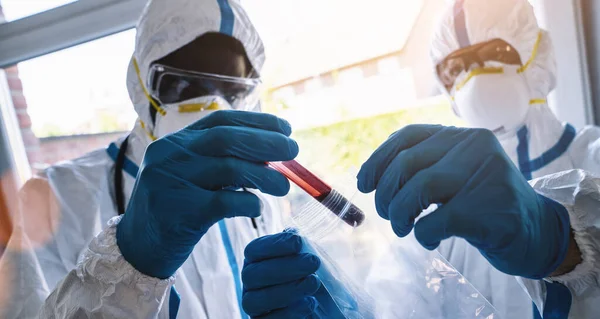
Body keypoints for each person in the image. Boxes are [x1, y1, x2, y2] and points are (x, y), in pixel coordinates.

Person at [239, 0, 600, 318]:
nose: (474, 76)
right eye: (455, 68)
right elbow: (398, 303)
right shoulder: (436, 200)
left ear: (536, 56)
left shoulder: (594, 156)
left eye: (495, 54)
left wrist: (559, 239)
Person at [0, 0, 299, 318]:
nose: (214, 106)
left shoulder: (254, 189)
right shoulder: (56, 195)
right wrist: (130, 262)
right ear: (140, 82)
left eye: (232, 91)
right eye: (184, 85)